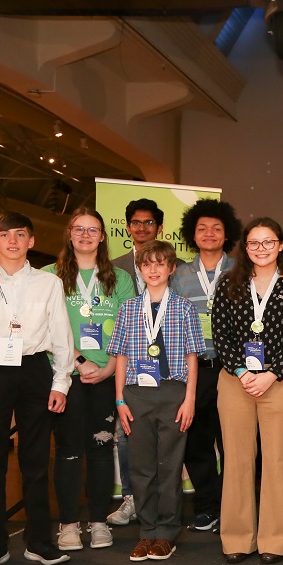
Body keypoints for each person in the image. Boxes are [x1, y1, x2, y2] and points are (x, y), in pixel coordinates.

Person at [0, 212, 75, 565]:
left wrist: (61, 383)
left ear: (31, 241)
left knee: (35, 461)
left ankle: (39, 542)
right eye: (4, 235)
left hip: (36, 369)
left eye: (20, 234)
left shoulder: (48, 284)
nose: (12, 241)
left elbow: (61, 336)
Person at [213, 218, 283, 563]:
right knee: (237, 461)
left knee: (278, 459)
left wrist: (270, 374)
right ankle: (238, 539)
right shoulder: (229, 283)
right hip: (235, 380)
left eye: (268, 242)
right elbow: (220, 334)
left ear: (281, 245)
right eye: (254, 243)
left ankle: (276, 540)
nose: (261, 249)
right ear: (245, 247)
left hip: (278, 382)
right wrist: (241, 370)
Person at [45, 208, 135, 552]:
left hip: (106, 375)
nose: (85, 235)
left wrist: (112, 366)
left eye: (93, 230)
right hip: (64, 376)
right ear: (69, 234)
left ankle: (98, 522)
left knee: (100, 449)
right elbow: (47, 328)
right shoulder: (50, 276)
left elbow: (128, 327)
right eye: (79, 229)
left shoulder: (120, 279)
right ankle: (68, 524)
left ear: (102, 236)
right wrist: (78, 362)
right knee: (67, 450)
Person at [108, 240, 203, 562]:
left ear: (171, 268)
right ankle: (146, 531)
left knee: (170, 466)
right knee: (141, 468)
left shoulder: (184, 307)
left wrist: (189, 399)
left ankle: (166, 533)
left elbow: (192, 357)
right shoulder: (129, 308)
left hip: (173, 393)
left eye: (160, 264)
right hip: (136, 395)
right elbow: (120, 356)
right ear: (139, 268)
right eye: (147, 264)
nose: (153, 269)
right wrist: (120, 399)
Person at [108, 198, 182, 528]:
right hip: (134, 381)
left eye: (148, 223)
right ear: (127, 228)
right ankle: (132, 500)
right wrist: (120, 393)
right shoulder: (114, 267)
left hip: (168, 381)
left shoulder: (175, 278)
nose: (142, 228)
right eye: (136, 223)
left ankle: (164, 520)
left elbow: (190, 352)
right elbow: (120, 346)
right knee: (130, 446)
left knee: (166, 455)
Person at [170, 198, 242, 533]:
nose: (209, 234)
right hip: (194, 370)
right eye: (202, 229)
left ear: (227, 234)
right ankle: (206, 505)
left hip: (232, 370)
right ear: (192, 234)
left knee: (233, 441)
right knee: (195, 441)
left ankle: (232, 505)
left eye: (216, 228)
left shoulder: (241, 270)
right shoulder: (180, 273)